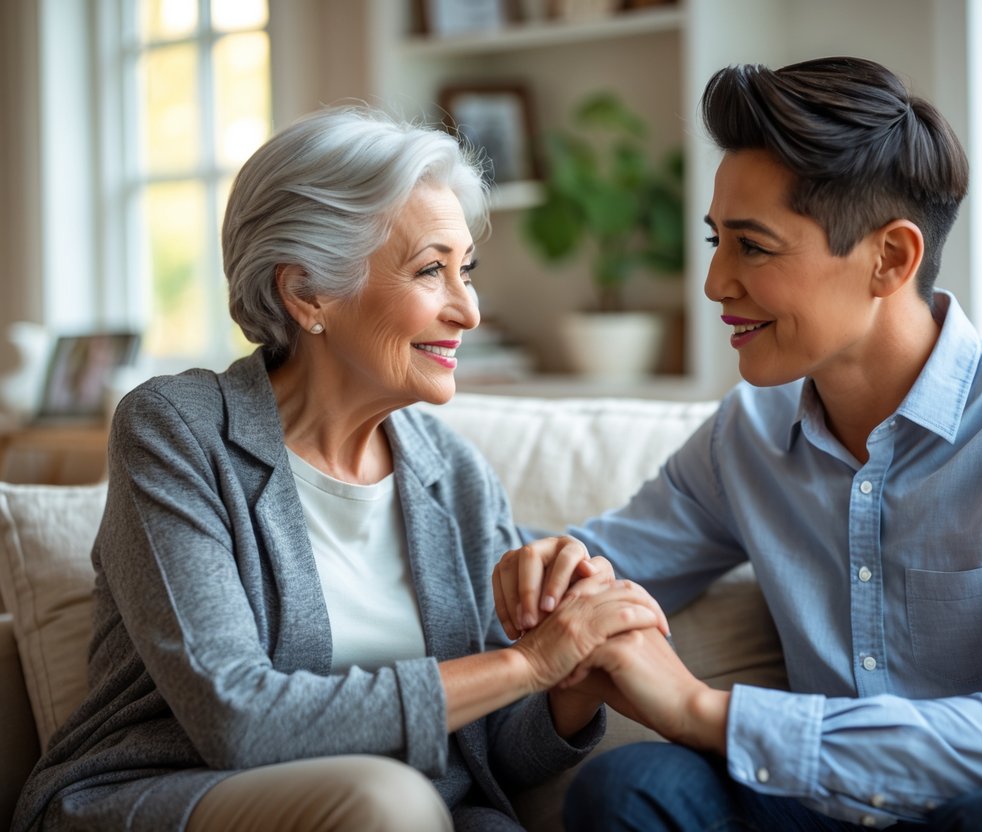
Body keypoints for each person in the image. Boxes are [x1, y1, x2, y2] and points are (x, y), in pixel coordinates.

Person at [495, 57, 982, 831]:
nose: (713, 282)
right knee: (632, 788)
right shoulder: (749, 433)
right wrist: (544, 571)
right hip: (814, 810)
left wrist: (707, 712)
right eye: (717, 240)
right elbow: (599, 568)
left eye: (753, 247)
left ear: (890, 259)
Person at [10, 107, 669, 832]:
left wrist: (571, 679)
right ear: (307, 294)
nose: (468, 311)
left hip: (408, 811)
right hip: (177, 792)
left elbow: (484, 759)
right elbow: (237, 720)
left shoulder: (451, 474)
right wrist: (529, 665)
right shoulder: (178, 430)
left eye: (465, 271)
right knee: (389, 803)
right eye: (430, 271)